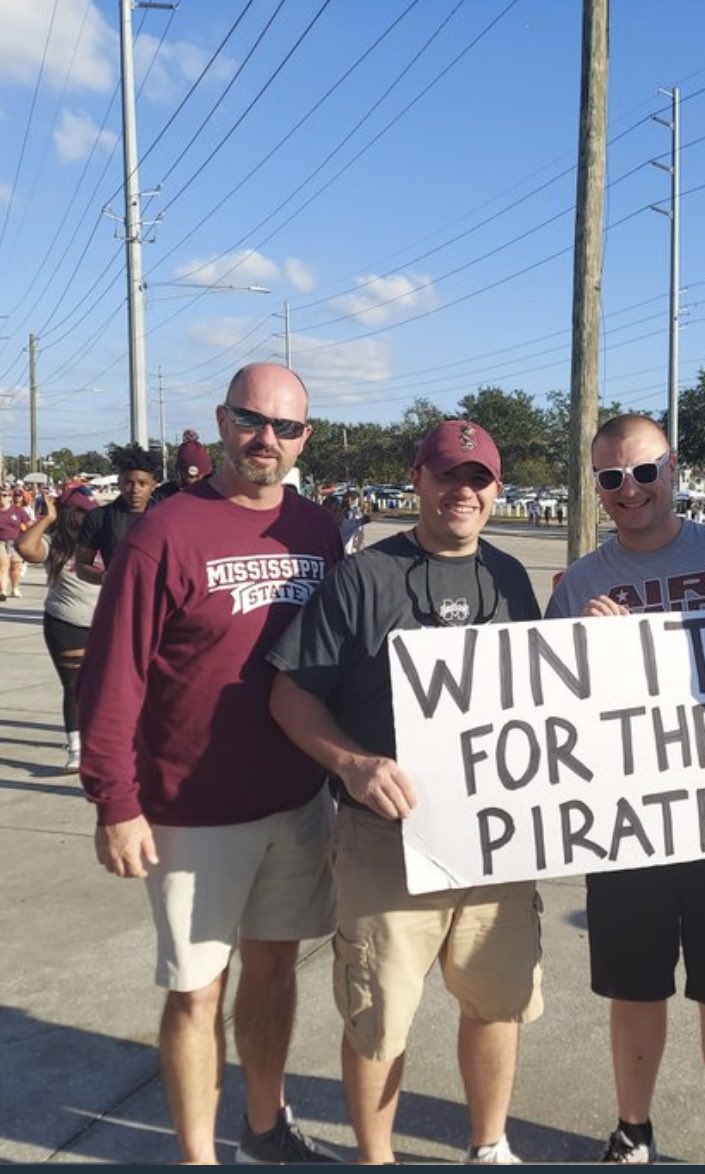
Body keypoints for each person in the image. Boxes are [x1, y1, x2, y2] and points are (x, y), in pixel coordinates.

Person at [75, 363, 344, 1165]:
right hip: (191, 807)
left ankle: (266, 1126)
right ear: (223, 422)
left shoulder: (318, 529)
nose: (267, 440)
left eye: (285, 427)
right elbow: (112, 673)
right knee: (197, 992)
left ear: (305, 436)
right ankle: (198, 1157)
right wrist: (114, 800)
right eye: (251, 420)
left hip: (296, 801)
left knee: (274, 970)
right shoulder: (167, 530)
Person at [268, 419, 544, 1166]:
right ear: (417, 479)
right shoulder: (365, 577)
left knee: (497, 1002)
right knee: (379, 1019)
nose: (463, 492)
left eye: (478, 479)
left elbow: (542, 697)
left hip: (495, 842)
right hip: (385, 840)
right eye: (447, 475)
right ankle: (377, 1159)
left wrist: (600, 638)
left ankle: (489, 1145)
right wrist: (352, 763)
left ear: (495, 490)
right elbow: (291, 696)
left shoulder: (511, 578)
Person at [544, 413, 705, 1166]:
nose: (631, 490)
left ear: (675, 469)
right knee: (635, 984)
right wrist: (583, 649)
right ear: (597, 487)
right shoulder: (583, 581)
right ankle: (634, 1128)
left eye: (645, 472)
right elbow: (559, 708)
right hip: (631, 819)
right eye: (612, 478)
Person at [15, 483, 102, 770]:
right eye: (75, 513)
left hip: (107, 623)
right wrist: (47, 518)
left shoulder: (106, 539)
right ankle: (77, 748)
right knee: (74, 686)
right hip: (66, 623)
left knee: (109, 684)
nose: (81, 519)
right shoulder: (55, 545)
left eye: (87, 513)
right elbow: (25, 547)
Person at [75, 445, 159, 584]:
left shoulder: (167, 519)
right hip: (119, 598)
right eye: (129, 483)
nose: (135, 490)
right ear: (119, 483)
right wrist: (106, 578)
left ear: (153, 485)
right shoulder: (99, 518)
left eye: (142, 483)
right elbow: (81, 566)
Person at [155, 430, 214, 501]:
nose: (198, 482)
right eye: (192, 477)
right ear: (181, 475)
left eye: (204, 478)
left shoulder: (216, 496)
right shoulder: (164, 496)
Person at [0, 484, 26, 602]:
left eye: (5, 495)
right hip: (1, 541)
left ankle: (15, 588)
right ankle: (3, 591)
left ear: (10, 497)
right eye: (0, 495)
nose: (2, 498)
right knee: (3, 564)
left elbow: (28, 525)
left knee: (15, 566)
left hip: (15, 541)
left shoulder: (18, 511)